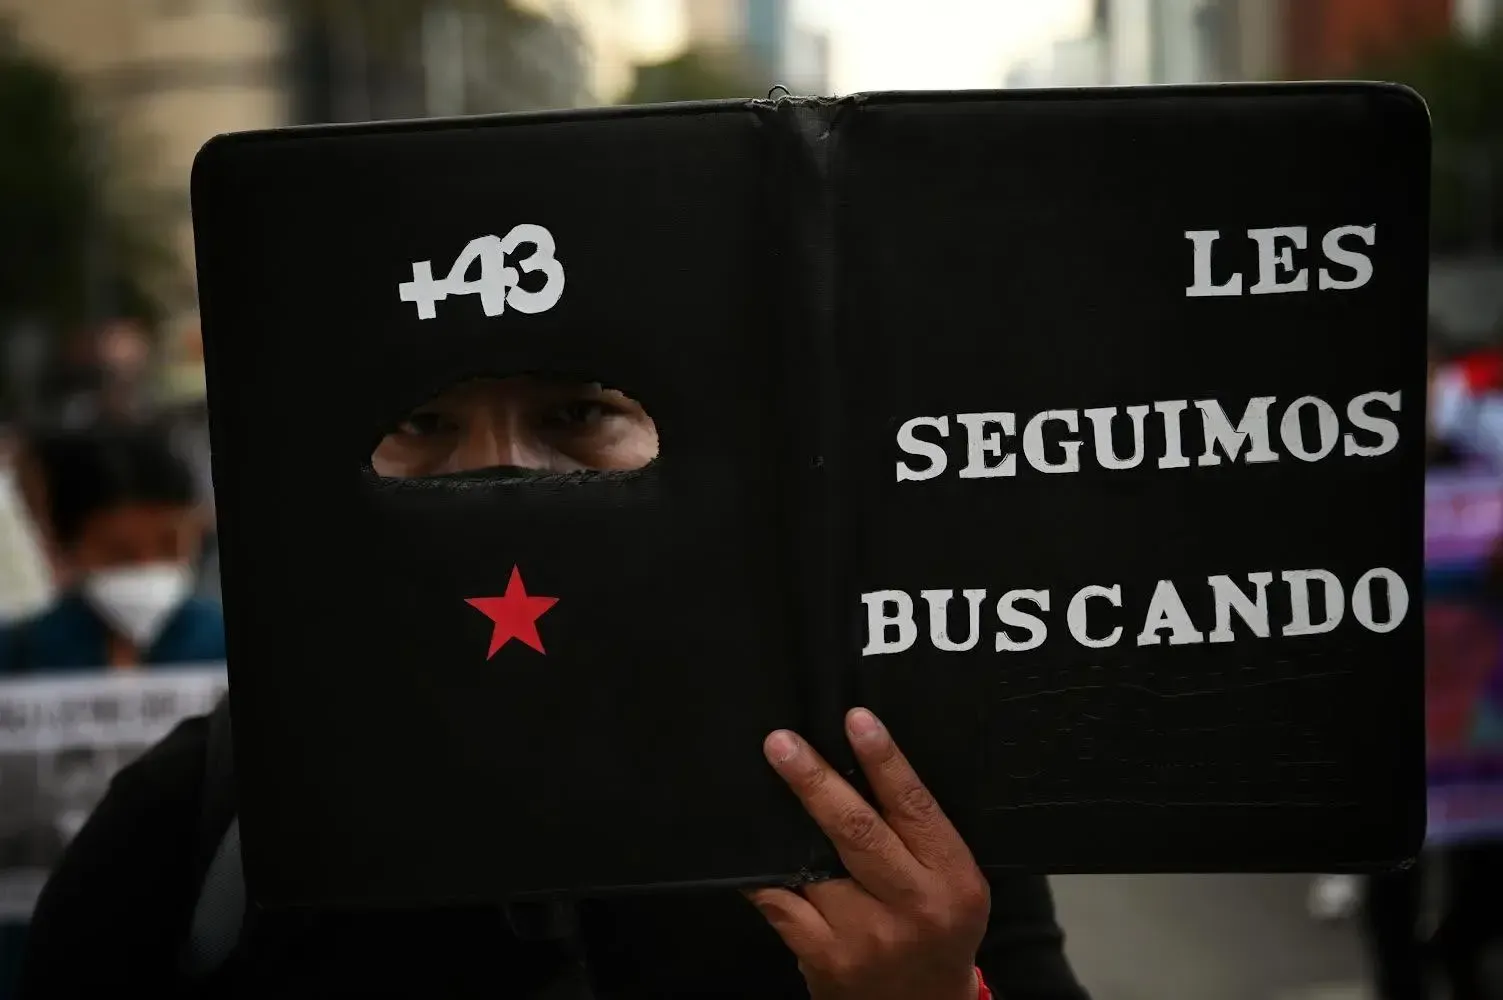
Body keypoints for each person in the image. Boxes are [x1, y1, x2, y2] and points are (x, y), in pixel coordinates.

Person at [17, 376, 1090, 999]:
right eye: (423, 419)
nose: (501, 478)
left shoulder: (886, 803)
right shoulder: (201, 816)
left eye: (578, 411)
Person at [0, 425, 224, 674]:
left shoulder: (223, 642)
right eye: (119, 553)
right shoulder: (18, 656)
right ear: (66, 548)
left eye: (169, 546)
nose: (146, 565)